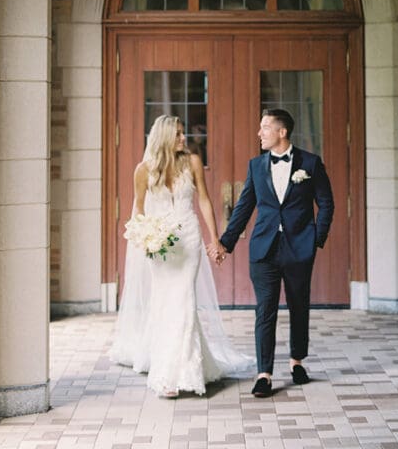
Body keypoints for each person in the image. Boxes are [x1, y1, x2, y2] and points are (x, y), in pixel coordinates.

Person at [110, 114, 253, 397]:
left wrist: (215, 239)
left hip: (188, 240)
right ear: (164, 137)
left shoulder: (193, 162)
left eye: (183, 133)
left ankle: (181, 372)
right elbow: (138, 209)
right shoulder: (143, 170)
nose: (183, 138)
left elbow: (203, 199)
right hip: (160, 245)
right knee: (165, 304)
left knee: (184, 300)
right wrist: (144, 238)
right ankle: (168, 371)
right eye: (177, 134)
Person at [211, 108, 334, 398]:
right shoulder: (256, 166)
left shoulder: (311, 164)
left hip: (299, 248)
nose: (259, 133)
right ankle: (264, 374)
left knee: (298, 306)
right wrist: (225, 244)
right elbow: (243, 207)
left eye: (265, 127)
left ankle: (297, 361)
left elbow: (326, 203)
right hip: (264, 248)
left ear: (282, 132)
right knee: (264, 310)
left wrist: (316, 238)